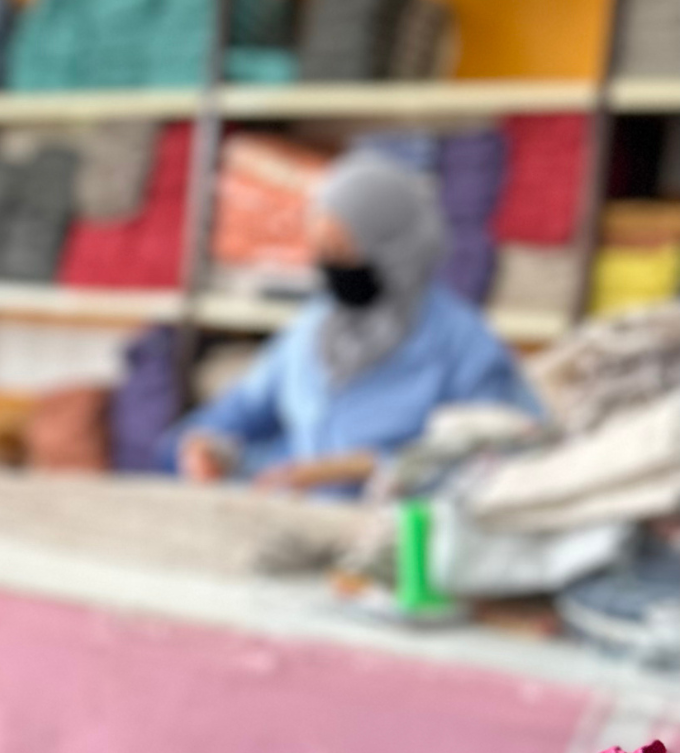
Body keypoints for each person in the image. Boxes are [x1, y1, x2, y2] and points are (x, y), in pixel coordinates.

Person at [175, 148, 538, 494]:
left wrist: (369, 467)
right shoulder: (313, 328)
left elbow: (503, 449)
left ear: (394, 249)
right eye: (322, 251)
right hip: (302, 523)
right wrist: (205, 445)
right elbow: (238, 412)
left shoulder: (464, 343)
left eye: (344, 251)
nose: (330, 268)